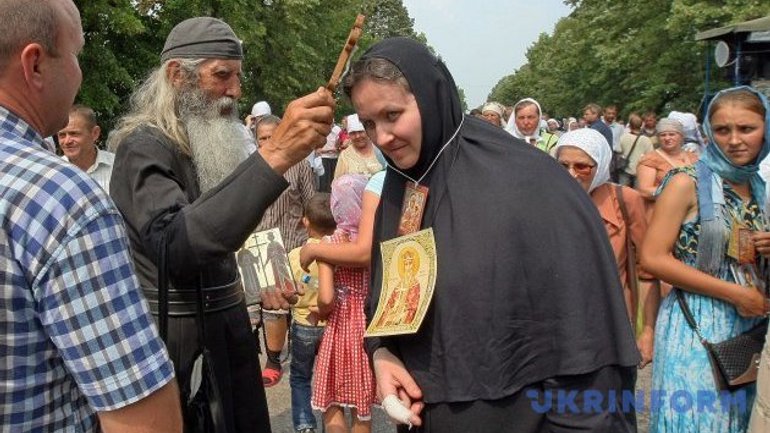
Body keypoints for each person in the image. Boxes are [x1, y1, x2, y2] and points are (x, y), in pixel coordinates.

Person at [344, 37, 639, 432]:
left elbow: (585, 345)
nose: (382, 138)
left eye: (392, 114)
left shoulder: (531, 183)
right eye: (368, 123)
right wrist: (383, 353)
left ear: (432, 98)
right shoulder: (402, 187)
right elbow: (389, 302)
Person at [108, 16, 335, 433]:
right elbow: (178, 246)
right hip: (182, 346)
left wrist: (258, 278)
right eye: (222, 75)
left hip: (228, 333)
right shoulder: (144, 148)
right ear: (178, 75)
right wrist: (277, 154)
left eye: (238, 76)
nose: (235, 91)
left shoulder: (204, 139)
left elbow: (223, 234)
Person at [0, 0, 181, 431]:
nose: (81, 73)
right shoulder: (59, 199)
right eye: (77, 54)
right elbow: (143, 421)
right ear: (35, 64)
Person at [641, 86, 770, 433]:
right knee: (698, 422)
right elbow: (652, 258)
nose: (734, 140)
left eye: (747, 129)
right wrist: (735, 294)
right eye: (723, 130)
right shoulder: (686, 183)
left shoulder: (760, 185)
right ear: (707, 132)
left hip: (752, 324)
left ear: (766, 130)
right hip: (697, 325)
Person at [554, 129, 660, 368]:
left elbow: (648, 270)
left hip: (612, 330)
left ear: (600, 165)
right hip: (559, 330)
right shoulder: (545, 200)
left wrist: (647, 332)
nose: (571, 175)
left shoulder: (626, 201)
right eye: (563, 166)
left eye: (582, 167)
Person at [252, 113, 317, 387]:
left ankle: (305, 358)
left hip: (294, 244)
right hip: (263, 245)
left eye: (272, 136)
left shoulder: (300, 164)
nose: (267, 142)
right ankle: (274, 359)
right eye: (262, 138)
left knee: (299, 304)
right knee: (272, 309)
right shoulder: (249, 165)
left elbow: (311, 203)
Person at [312, 175, 376, 433]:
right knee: (362, 413)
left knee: (333, 406)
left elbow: (327, 298)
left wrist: (319, 309)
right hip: (367, 326)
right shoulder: (372, 243)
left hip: (339, 329)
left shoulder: (329, 245)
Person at [287, 192, 336, 433]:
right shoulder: (339, 254)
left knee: (300, 376)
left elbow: (289, 293)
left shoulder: (296, 255)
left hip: (303, 323)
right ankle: (333, 420)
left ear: (306, 221)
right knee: (332, 376)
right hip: (331, 324)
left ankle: (305, 423)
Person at [635, 118, 699, 206]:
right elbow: (644, 191)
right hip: (663, 210)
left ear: (681, 136)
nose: (667, 138)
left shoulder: (692, 157)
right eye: (663, 135)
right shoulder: (650, 160)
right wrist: (679, 193)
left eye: (672, 134)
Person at [58, 104, 115, 191]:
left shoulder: (117, 166)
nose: (67, 141)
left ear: (95, 133)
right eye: (62, 135)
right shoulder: (54, 171)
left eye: (74, 134)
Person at [334, 113, 384, 179]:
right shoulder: (345, 156)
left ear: (367, 131)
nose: (357, 136)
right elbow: (337, 183)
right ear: (349, 135)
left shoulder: (381, 150)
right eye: (353, 133)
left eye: (360, 132)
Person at [617, 113, 655, 187]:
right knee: (638, 193)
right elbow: (650, 155)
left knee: (623, 191)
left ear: (630, 125)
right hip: (640, 170)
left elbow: (618, 151)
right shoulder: (646, 139)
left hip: (625, 168)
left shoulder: (623, 137)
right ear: (641, 125)